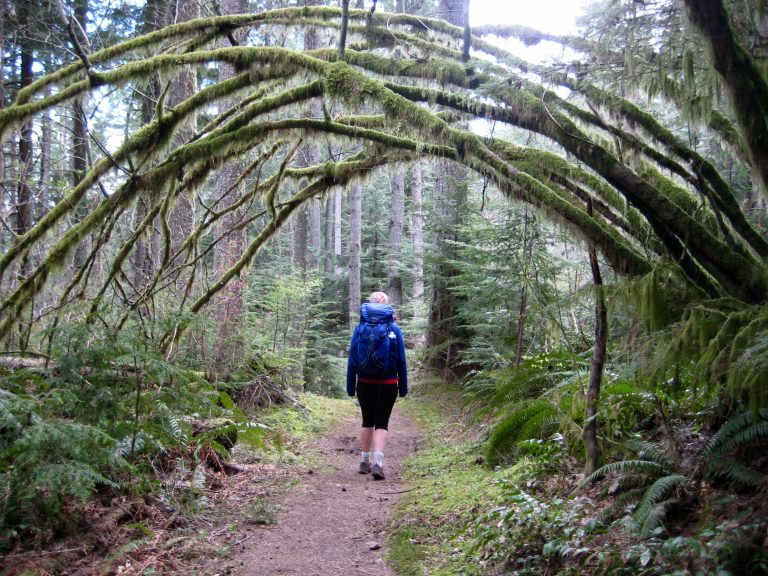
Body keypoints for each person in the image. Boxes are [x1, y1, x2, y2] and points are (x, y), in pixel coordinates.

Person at [347, 291, 408, 480]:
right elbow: (401, 360)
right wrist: (403, 386)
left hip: (364, 382)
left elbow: (352, 359)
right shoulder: (394, 329)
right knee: (382, 422)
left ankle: (364, 461)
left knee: (367, 420)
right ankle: (378, 464)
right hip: (388, 383)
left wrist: (350, 385)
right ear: (387, 308)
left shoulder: (360, 329)